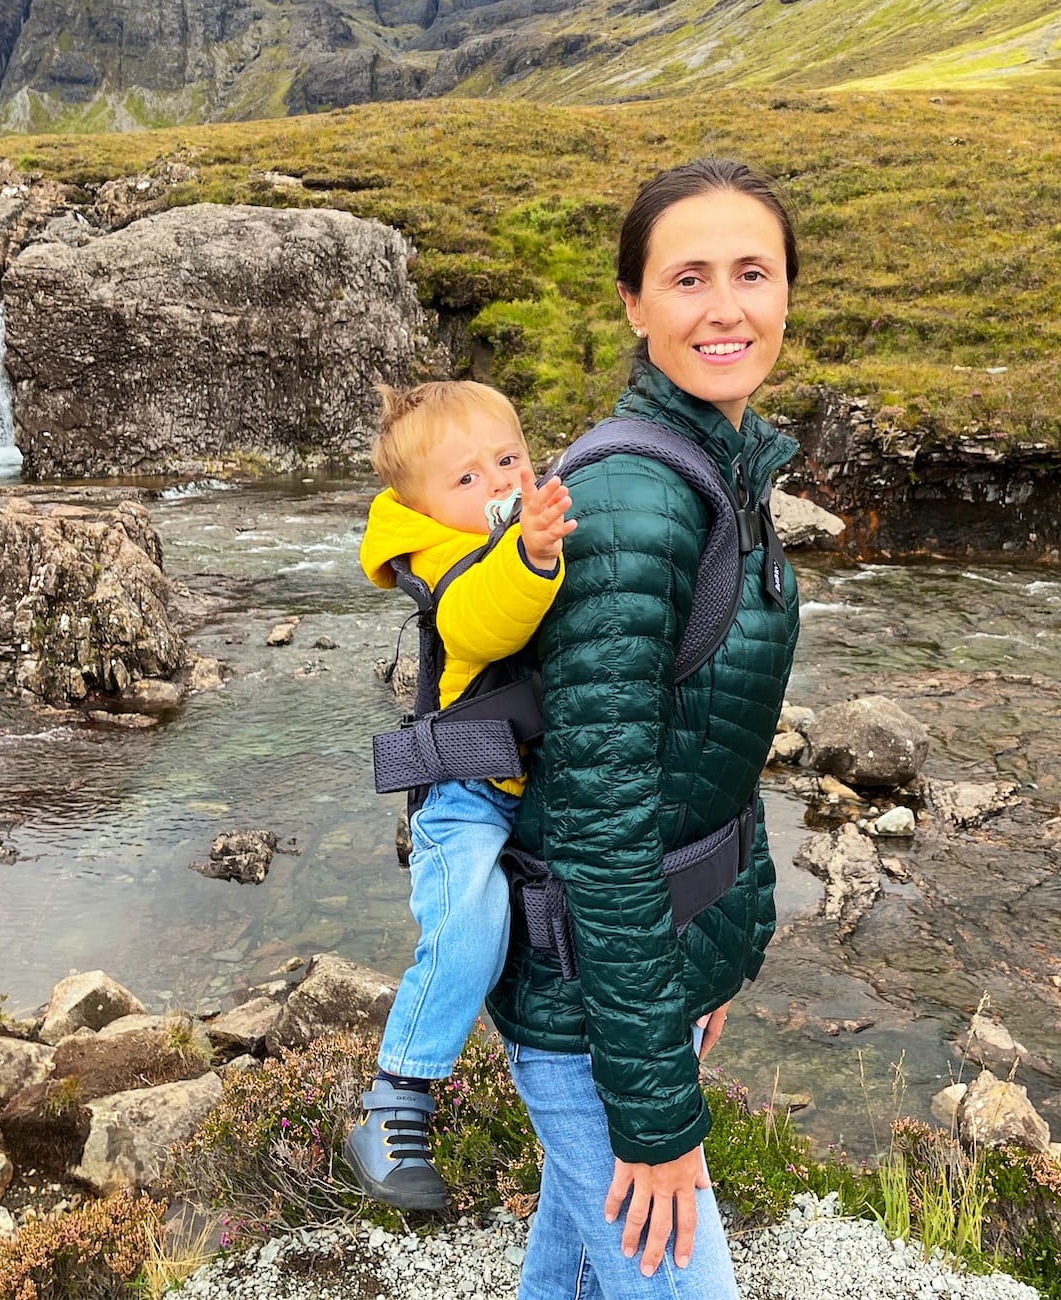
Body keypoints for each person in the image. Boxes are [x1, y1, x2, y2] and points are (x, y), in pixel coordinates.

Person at [488, 158, 803, 1297]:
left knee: (574, 1264)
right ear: (633, 305)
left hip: (634, 981)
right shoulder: (631, 503)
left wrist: (711, 947)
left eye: (750, 273)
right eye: (686, 277)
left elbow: (712, 752)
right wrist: (654, 1112)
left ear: (783, 295)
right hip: (584, 1000)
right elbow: (601, 823)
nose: (723, 306)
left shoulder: (721, 464)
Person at [343, 380, 577, 1210]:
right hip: (464, 798)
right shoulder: (452, 560)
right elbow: (483, 622)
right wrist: (534, 555)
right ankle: (395, 1099)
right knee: (470, 931)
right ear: (424, 508)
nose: (499, 484)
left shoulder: (519, 526)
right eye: (467, 478)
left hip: (525, 782)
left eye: (508, 461)